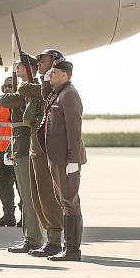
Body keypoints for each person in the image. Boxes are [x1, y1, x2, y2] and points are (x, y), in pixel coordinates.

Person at [17, 48, 66, 257]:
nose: (39, 63)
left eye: (43, 60)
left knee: (47, 193)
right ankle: (49, 239)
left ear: (55, 62)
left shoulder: (53, 85)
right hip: (35, 144)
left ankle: (55, 240)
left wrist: (27, 83)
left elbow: (29, 90)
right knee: (37, 194)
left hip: (46, 145)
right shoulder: (43, 83)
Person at [42, 59, 86, 262]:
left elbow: (74, 129)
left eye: (53, 73)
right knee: (64, 200)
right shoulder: (59, 93)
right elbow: (45, 100)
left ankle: (73, 249)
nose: (50, 76)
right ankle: (69, 248)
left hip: (66, 159)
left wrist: (73, 159)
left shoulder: (69, 95)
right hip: (57, 157)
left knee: (70, 201)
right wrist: (44, 80)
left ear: (64, 75)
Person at [0, 55, 45, 253]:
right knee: (26, 196)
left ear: (28, 68)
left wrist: (19, 86)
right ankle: (30, 237)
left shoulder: (32, 87)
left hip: (28, 147)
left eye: (18, 66)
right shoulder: (26, 88)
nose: (15, 69)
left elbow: (6, 100)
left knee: (28, 196)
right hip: (19, 147)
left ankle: (34, 238)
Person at [0, 77, 17, 227]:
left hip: (16, 149)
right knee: (3, 186)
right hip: (2, 149)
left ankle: (26, 215)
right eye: (4, 87)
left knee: (21, 185)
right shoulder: (2, 103)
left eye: (10, 86)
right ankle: (8, 215)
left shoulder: (18, 103)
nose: (7, 89)